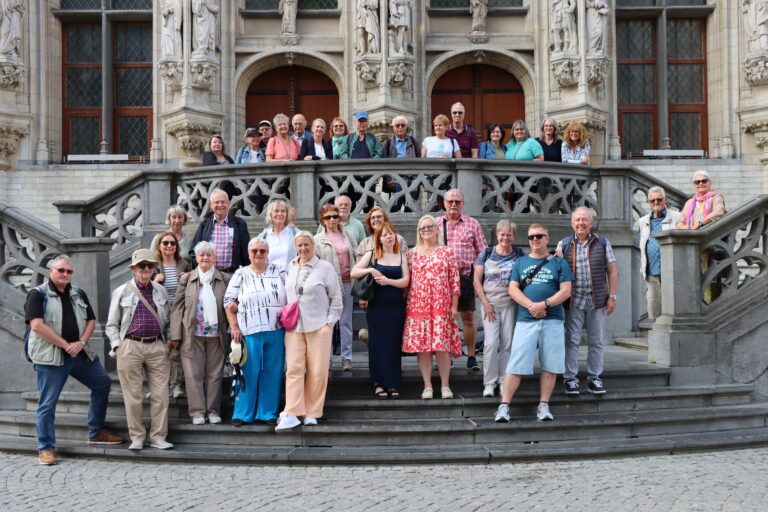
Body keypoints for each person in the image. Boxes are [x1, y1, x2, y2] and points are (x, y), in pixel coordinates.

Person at [26, 255, 123, 465]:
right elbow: (37, 326)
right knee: (47, 403)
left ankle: (96, 433)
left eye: (69, 271)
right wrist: (65, 344)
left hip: (78, 352)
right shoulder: (38, 294)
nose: (65, 275)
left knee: (102, 383)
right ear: (51, 271)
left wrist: (80, 342)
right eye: (61, 270)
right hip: (51, 355)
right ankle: (45, 448)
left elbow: (91, 320)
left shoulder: (78, 292)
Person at [494, 224, 572, 423]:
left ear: (547, 238)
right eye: (531, 237)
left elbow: (566, 291)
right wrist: (532, 306)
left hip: (552, 320)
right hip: (526, 320)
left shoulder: (560, 263)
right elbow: (513, 289)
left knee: (551, 365)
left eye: (539, 236)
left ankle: (544, 405)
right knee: (516, 364)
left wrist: (544, 304)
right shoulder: (520, 262)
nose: (535, 240)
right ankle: (503, 406)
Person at [105, 249, 175, 451]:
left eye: (150, 266)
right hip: (130, 346)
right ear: (134, 268)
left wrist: (168, 343)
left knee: (161, 395)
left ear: (154, 269)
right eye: (142, 266)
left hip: (157, 346)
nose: (146, 269)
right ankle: (137, 437)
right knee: (133, 396)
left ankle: (158, 437)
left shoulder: (160, 291)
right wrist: (117, 346)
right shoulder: (122, 291)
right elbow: (111, 324)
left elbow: (168, 319)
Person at [276, 231, 342, 431]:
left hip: (318, 325)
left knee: (317, 371)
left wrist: (328, 324)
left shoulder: (325, 268)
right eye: (300, 245)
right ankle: (293, 411)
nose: (303, 248)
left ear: (313, 246)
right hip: (294, 326)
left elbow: (336, 299)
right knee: (294, 369)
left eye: (306, 245)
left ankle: (312, 412)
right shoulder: (291, 266)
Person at [556, 207, 618, 396]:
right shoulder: (564, 244)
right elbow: (556, 270)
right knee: (571, 341)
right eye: (577, 220)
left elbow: (612, 271)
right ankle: (570, 379)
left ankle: (594, 378)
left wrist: (612, 296)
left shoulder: (602, 242)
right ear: (572, 223)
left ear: (591, 223)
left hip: (596, 299)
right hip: (573, 300)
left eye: (584, 220)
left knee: (596, 341)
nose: (581, 223)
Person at [224, 237, 287, 426]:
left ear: (268, 253)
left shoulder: (278, 271)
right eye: (254, 251)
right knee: (248, 372)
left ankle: (268, 413)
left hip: (275, 329)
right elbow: (228, 301)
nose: (258, 254)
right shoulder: (241, 273)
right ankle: (243, 413)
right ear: (249, 253)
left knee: (272, 372)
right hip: (249, 330)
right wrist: (234, 327)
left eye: (262, 251)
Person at [170, 242, 230, 425]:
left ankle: (213, 411)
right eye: (201, 255)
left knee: (214, 375)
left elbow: (230, 305)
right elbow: (177, 309)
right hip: (192, 334)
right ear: (195, 258)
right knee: (193, 375)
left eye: (209, 255)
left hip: (217, 335)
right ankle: (197, 412)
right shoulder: (186, 279)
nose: (205, 258)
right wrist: (175, 335)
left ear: (214, 258)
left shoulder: (225, 279)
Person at [403, 215, 461, 399]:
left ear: (437, 229)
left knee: (442, 346)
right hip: (418, 305)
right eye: (422, 228)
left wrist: (454, 305)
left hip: (441, 304)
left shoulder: (447, 252)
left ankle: (445, 385)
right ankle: (427, 385)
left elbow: (455, 281)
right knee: (423, 347)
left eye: (429, 227)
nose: (426, 230)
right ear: (418, 232)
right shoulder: (411, 254)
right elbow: (407, 281)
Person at [351, 222, 410, 398]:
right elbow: (354, 272)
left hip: (396, 307)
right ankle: (378, 383)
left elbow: (406, 281)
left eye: (391, 233)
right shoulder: (372, 254)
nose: (389, 237)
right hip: (377, 306)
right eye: (385, 235)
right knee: (377, 345)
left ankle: (392, 383)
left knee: (393, 345)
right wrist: (370, 269)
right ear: (379, 238)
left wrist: (388, 281)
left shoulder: (402, 256)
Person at [436, 188, 488, 372]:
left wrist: (478, 281)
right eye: (450, 201)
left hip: (465, 277)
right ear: (444, 203)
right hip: (442, 280)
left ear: (463, 204)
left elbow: (482, 254)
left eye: (457, 201)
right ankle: (446, 355)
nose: (453, 205)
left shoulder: (472, 224)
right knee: (445, 319)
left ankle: (471, 356)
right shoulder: (435, 224)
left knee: (467, 318)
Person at [473, 220, 524, 398]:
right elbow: (476, 281)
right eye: (502, 234)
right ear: (497, 234)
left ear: (514, 236)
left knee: (507, 344)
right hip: (490, 304)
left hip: (510, 303)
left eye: (509, 234)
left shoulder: (519, 254)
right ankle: (489, 382)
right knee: (490, 343)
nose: (505, 237)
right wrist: (485, 303)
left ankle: (503, 381)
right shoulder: (486, 253)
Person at [315, 204, 358, 371]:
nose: (332, 220)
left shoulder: (347, 235)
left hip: (347, 282)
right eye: (328, 217)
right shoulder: (318, 238)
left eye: (335, 216)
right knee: (328, 323)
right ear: (323, 220)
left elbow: (356, 253)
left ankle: (346, 358)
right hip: (328, 287)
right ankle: (328, 357)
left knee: (346, 322)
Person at [152, 230, 191, 399]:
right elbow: (142, 286)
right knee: (158, 351)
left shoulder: (184, 264)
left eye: (172, 243)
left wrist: (187, 277)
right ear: (159, 246)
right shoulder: (152, 265)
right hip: (159, 311)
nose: (169, 246)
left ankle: (176, 385)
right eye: (165, 243)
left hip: (179, 311)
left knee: (175, 348)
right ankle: (159, 386)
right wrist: (154, 281)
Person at [638, 187, 680, 321]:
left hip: (671, 272)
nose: (656, 202)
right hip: (651, 272)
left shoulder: (676, 217)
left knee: (672, 309)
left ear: (665, 200)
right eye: (652, 200)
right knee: (654, 309)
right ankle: (657, 339)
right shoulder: (643, 221)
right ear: (648, 202)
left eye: (659, 199)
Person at [189, 188, 251, 273]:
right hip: (210, 275)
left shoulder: (239, 224)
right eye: (217, 202)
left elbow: (246, 252)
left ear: (228, 203)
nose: (220, 205)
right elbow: (194, 251)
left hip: (232, 274)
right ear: (211, 205)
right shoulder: (204, 225)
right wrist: (202, 269)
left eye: (223, 202)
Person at [259, 198, 298, 268]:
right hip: (268, 276)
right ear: (270, 214)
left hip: (290, 276)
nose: (280, 214)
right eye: (276, 211)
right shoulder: (263, 237)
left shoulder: (296, 234)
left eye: (283, 211)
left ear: (286, 214)